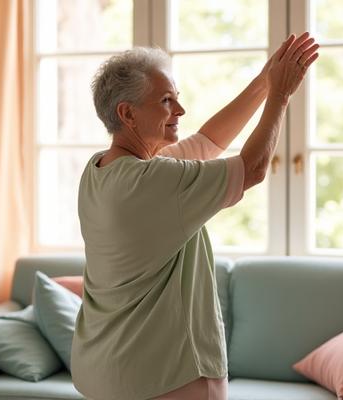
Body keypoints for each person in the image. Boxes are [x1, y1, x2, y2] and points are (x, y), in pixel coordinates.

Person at [71, 32, 319, 400]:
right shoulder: (150, 182)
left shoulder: (102, 170)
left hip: (104, 371)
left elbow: (206, 143)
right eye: (166, 101)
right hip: (166, 376)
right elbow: (252, 169)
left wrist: (264, 82)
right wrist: (280, 96)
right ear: (128, 114)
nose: (180, 112)